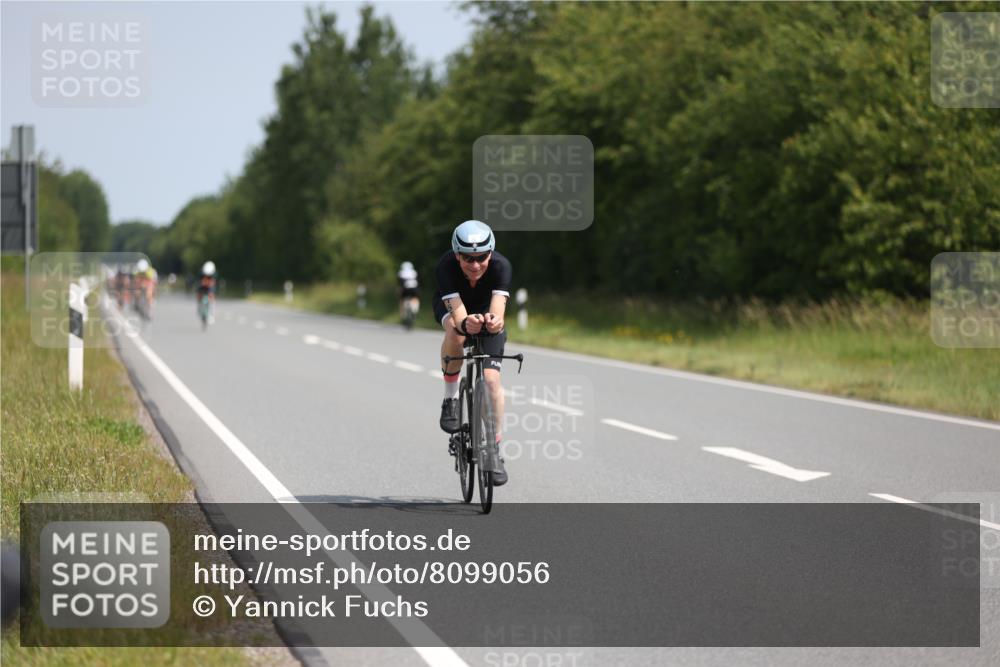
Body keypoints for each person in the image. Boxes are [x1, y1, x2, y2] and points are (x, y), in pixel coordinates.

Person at [434, 220, 511, 486]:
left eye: (482, 258)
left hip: (485, 308)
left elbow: (498, 311)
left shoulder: (501, 266)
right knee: (457, 333)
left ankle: (493, 447)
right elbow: (458, 315)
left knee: (491, 381)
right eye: (468, 258)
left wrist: (494, 322)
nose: (475, 265)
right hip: (455, 308)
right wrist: (467, 324)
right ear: (457, 254)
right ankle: (451, 399)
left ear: (491, 253)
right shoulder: (445, 267)